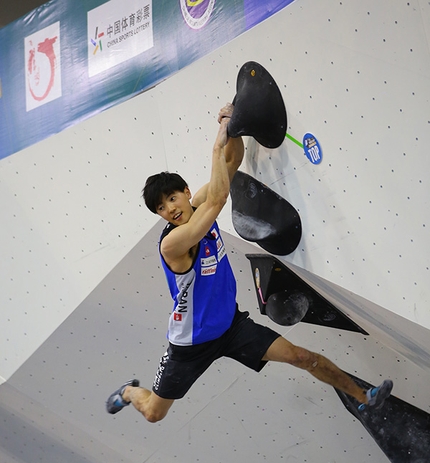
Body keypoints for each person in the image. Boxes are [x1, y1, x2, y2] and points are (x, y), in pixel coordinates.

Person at [106, 103, 393, 422]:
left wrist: (233, 121)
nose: (169, 209)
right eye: (161, 208)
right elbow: (217, 197)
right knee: (154, 414)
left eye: (172, 199)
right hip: (190, 344)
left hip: (231, 326)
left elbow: (233, 159)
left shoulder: (200, 204)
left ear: (186, 192)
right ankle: (129, 392)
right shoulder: (173, 243)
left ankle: (364, 398)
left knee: (300, 356)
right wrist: (217, 141)